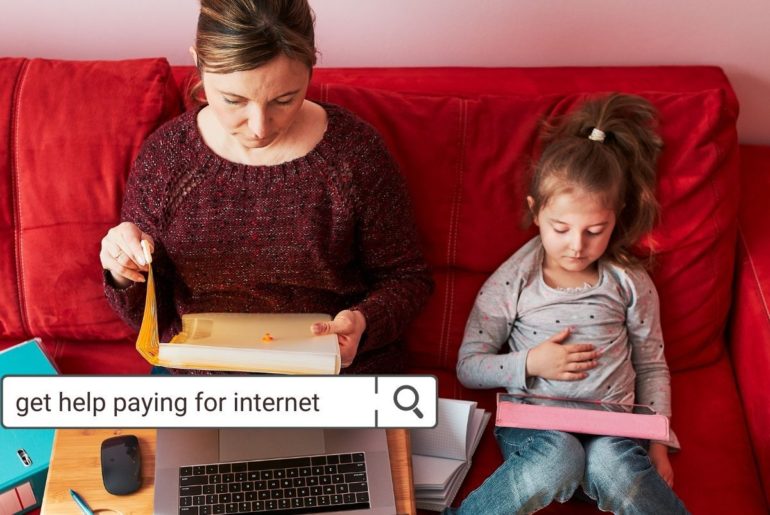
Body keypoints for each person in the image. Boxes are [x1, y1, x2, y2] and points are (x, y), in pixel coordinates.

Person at [99, 0, 432, 374]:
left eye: (284, 99)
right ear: (199, 63)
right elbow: (147, 316)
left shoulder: (354, 154)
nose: (260, 127)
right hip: (202, 381)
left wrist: (364, 323)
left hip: (335, 377)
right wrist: (122, 272)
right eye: (233, 100)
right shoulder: (168, 158)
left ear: (311, 67)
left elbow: (406, 279)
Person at [448, 94, 689, 514]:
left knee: (613, 465)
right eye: (561, 228)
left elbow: (651, 365)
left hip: (615, 431)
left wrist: (657, 445)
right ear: (536, 212)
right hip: (538, 430)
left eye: (595, 230)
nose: (577, 246)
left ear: (617, 217)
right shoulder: (513, 279)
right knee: (560, 456)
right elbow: (469, 365)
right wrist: (531, 363)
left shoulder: (629, 281)